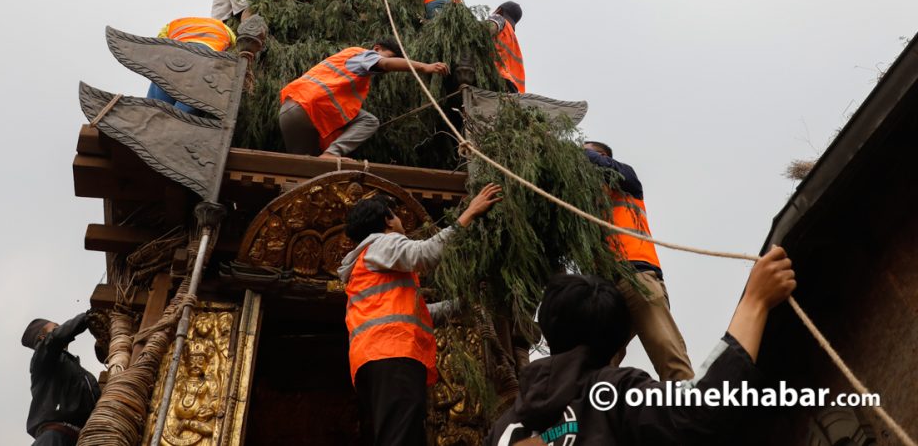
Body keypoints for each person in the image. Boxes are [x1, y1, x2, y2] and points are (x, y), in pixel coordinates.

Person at [487, 247, 796, 445]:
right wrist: (755, 302)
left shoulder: (503, 429)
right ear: (621, 340)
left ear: (548, 330)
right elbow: (703, 411)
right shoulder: (613, 392)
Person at [340, 184, 504, 446]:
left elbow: (418, 313)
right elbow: (423, 254)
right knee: (401, 436)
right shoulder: (382, 242)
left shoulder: (368, 265)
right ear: (387, 220)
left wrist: (463, 303)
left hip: (375, 359)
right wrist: (469, 214)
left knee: (400, 433)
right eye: (396, 215)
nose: (400, 221)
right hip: (393, 354)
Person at [583, 141, 694, 382]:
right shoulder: (582, 199)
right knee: (596, 364)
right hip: (603, 288)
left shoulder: (626, 180)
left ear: (602, 156)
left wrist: (574, 152)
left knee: (667, 350)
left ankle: (692, 409)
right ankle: (599, 415)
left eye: (587, 151)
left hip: (637, 275)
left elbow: (606, 168)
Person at [279, 38, 449, 158]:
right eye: (388, 56)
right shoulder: (363, 55)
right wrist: (424, 67)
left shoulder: (346, 62)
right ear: (377, 49)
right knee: (369, 121)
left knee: (303, 168)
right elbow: (386, 64)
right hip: (310, 108)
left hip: (289, 111)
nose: (387, 65)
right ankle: (333, 153)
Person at [21, 312, 102, 445]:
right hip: (55, 438)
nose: (62, 329)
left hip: (80, 439)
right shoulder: (42, 360)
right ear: (43, 338)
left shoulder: (77, 371)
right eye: (56, 327)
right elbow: (55, 339)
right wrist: (89, 315)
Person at [146, 17, 238, 113]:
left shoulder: (173, 24)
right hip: (205, 57)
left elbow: (160, 45)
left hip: (175, 55)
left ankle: (153, 115)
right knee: (189, 101)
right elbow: (234, 48)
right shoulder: (224, 27)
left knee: (158, 94)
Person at [487, 2, 525, 93]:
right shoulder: (513, 40)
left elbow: (482, 31)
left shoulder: (499, 19)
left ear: (499, 10)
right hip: (514, 91)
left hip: (497, 79)